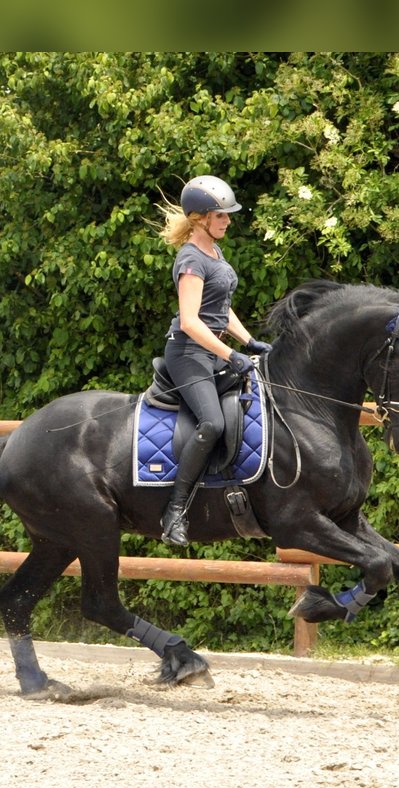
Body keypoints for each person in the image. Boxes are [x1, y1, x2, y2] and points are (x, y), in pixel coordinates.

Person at [156, 175, 272, 546]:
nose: (228, 221)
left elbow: (220, 310)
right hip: (189, 354)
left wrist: (249, 341)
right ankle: (174, 511)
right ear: (201, 218)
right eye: (221, 216)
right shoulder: (190, 258)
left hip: (212, 350)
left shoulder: (214, 253)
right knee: (212, 423)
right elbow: (191, 322)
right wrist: (231, 354)